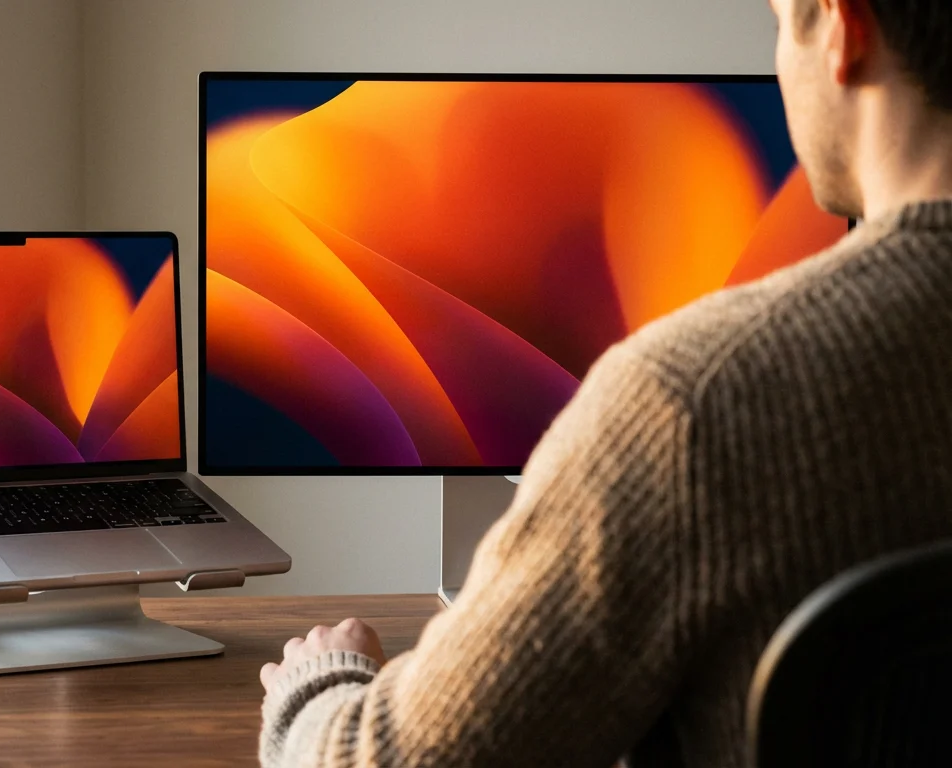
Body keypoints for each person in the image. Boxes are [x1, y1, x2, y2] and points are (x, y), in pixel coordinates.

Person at [258, 0, 952, 765]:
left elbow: (394, 759)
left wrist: (318, 684)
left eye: (780, 21)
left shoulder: (693, 400)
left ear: (843, 27)